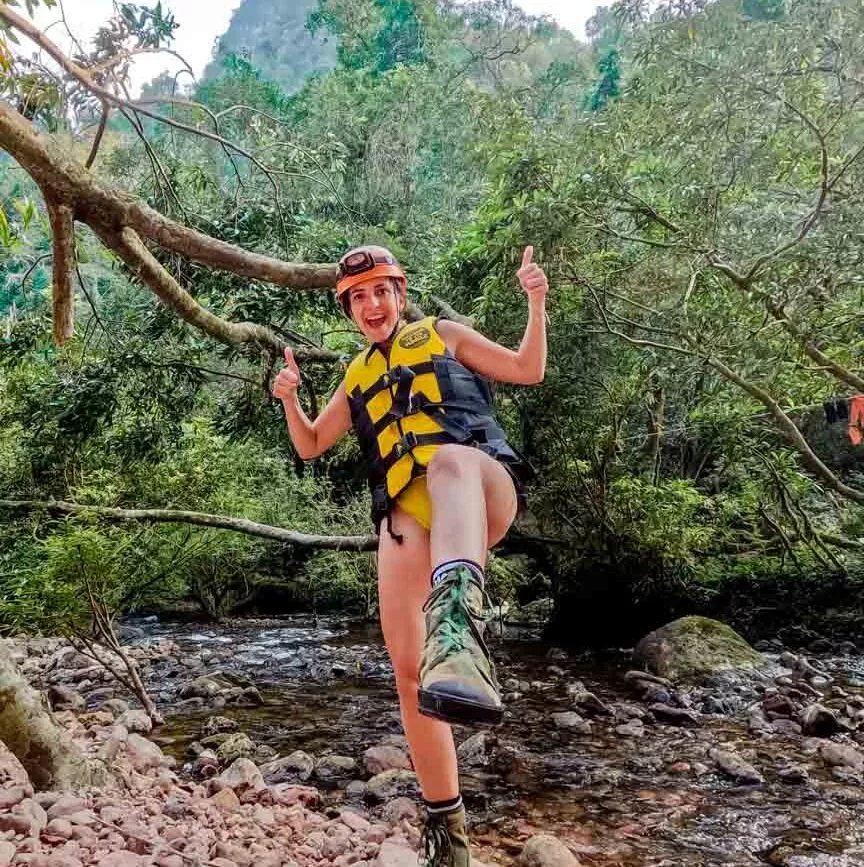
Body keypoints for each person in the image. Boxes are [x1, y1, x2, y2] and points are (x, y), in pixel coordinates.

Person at [272, 244, 548, 866]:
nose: (372, 305)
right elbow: (313, 443)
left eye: (381, 292)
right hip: (409, 525)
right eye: (359, 297)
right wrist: (290, 397)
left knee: (446, 459)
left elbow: (527, 369)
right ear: (348, 308)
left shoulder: (442, 335)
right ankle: (448, 836)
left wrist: (535, 301)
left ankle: (461, 620)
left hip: (478, 489)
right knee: (411, 676)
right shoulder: (357, 374)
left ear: (400, 294)